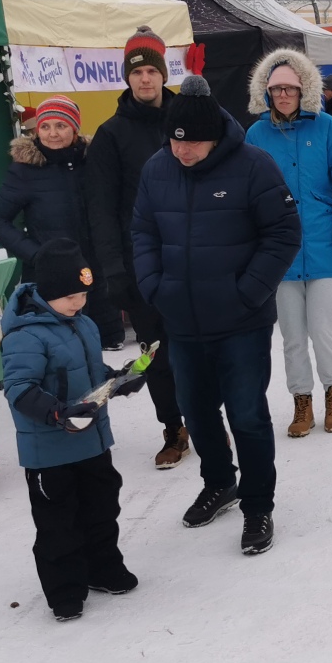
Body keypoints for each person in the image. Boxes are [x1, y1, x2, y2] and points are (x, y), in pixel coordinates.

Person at [132, 74, 301, 554]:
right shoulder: (157, 169)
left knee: (246, 415)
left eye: (193, 143)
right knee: (197, 412)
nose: (182, 151)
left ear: (215, 135)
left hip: (240, 321)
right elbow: (143, 232)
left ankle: (257, 505)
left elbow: (283, 233)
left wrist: (248, 291)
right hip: (182, 321)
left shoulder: (253, 166)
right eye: (175, 141)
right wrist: (154, 286)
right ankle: (218, 482)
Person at [0, 238, 146, 622]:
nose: (78, 302)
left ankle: (103, 568)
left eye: (83, 293)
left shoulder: (83, 324)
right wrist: (57, 414)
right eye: (69, 296)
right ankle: (64, 589)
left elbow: (90, 374)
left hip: (92, 441)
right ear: (46, 291)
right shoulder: (26, 335)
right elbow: (19, 389)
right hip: (51, 450)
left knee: (102, 508)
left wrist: (119, 380)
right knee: (58, 523)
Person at [244, 49, 332, 436]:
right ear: (266, 91)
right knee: (292, 335)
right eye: (276, 89)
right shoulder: (256, 134)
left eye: (290, 89)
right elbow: (247, 195)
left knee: (322, 329)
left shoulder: (328, 127)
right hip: (279, 254)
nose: (283, 95)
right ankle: (301, 401)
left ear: (303, 90)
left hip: (325, 244)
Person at [87, 29, 188, 471]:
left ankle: (207, 418)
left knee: (200, 348)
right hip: (141, 264)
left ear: (164, 75)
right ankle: (174, 428)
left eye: (152, 71)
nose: (145, 80)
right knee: (156, 354)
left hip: (192, 257)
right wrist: (114, 270)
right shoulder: (111, 135)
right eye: (137, 72)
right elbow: (101, 209)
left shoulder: (186, 120)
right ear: (127, 78)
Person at [0, 96, 123, 347]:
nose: (52, 134)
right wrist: (37, 254)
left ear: (75, 128)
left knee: (106, 352)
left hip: (99, 278)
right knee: (62, 350)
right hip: (52, 280)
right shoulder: (25, 170)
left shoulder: (94, 161)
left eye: (61, 126)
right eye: (45, 126)